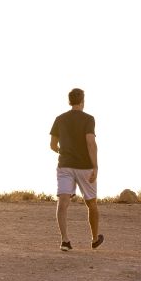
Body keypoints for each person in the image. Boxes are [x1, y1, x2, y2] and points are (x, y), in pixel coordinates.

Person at [50, 88, 104, 251]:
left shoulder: (60, 119)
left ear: (69, 101)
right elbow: (90, 142)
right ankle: (94, 239)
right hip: (84, 166)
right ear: (82, 101)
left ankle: (65, 240)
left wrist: (64, 152)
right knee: (91, 203)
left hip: (65, 165)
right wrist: (95, 166)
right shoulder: (88, 119)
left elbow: (53, 145)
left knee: (63, 201)